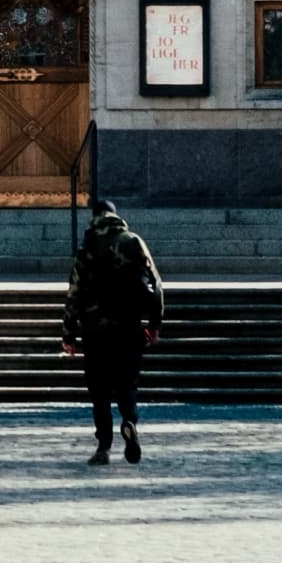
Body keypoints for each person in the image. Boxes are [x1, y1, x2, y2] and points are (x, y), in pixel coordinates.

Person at [62, 197, 166, 464]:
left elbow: (74, 293)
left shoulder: (87, 247)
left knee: (99, 390)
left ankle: (103, 447)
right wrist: (154, 325)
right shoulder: (133, 241)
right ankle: (129, 421)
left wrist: (68, 334)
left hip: (95, 331)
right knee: (127, 382)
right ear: (116, 216)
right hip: (129, 327)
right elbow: (155, 284)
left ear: (95, 218)